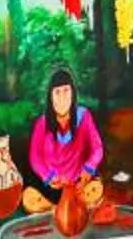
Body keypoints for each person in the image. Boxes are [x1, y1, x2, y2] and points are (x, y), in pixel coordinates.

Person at [21, 68, 105, 212]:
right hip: (53, 186)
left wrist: (88, 168)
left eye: (66, 90)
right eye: (57, 92)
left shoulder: (84, 116)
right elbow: (35, 158)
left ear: (73, 93)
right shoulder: (42, 123)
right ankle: (55, 209)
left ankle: (73, 206)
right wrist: (48, 176)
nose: (62, 97)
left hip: (79, 184)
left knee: (96, 189)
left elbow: (97, 148)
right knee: (28, 198)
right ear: (50, 97)